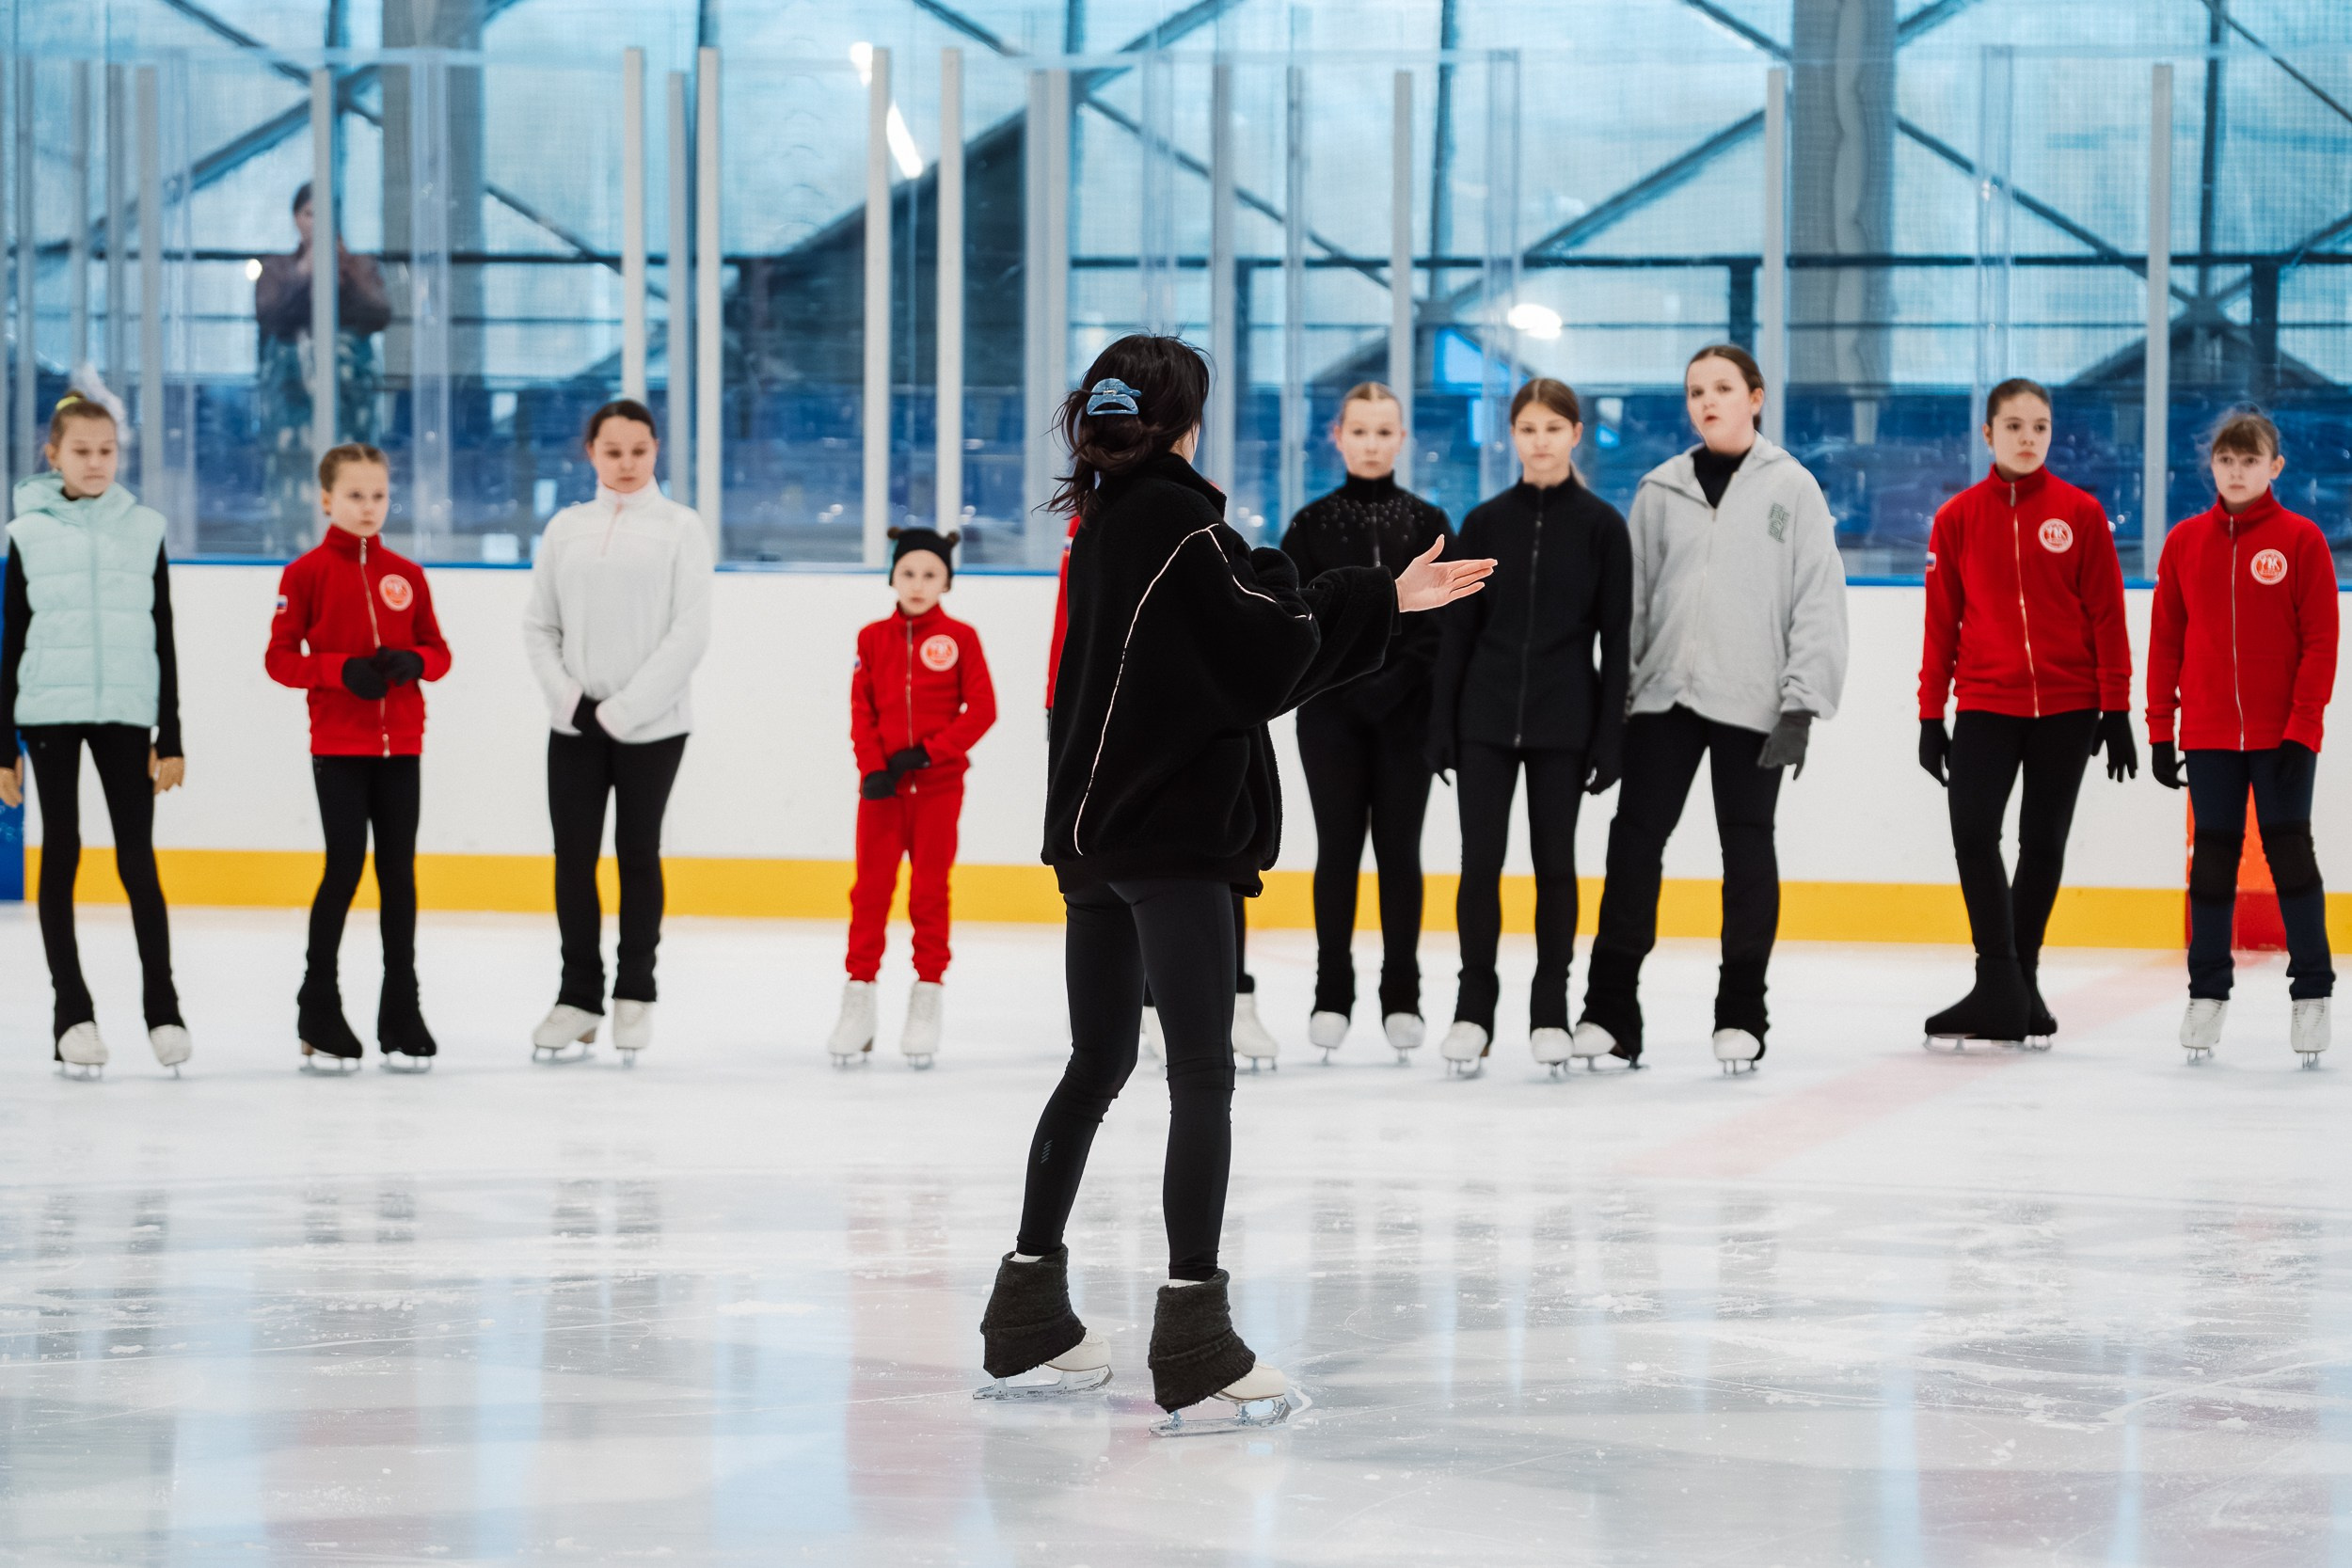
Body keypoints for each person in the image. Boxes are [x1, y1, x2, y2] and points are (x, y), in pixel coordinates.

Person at [976, 335, 1491, 1426]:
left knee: (1098, 1061)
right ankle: (1195, 1334)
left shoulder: (1109, 519)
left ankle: (1027, 1310)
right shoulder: (1181, 525)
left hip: (1093, 843)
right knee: (1200, 1074)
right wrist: (1386, 599)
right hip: (1168, 840)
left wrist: (1333, 592)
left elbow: (1230, 622)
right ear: (1182, 422)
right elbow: (1268, 652)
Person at [1575, 344, 1848, 1074]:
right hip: (1664, 696)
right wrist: (1618, 702)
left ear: (1755, 396)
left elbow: (1817, 600)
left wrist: (1801, 705)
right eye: (1696, 390)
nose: (1707, 400)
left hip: (1753, 700)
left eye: (1723, 387)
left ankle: (1742, 1014)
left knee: (1747, 851)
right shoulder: (1659, 489)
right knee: (1634, 845)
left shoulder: (1793, 488)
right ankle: (1609, 1011)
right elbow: (1630, 605)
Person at [1916, 378, 2134, 1048]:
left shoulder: (2083, 512)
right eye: (2013, 425)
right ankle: (2000, 979)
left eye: (2039, 425)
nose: (2028, 437)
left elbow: (2106, 613)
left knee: (2042, 843)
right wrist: (1931, 713)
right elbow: (1942, 621)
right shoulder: (1957, 518)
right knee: (1973, 834)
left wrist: (2117, 706)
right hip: (1986, 702)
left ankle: (2021, 983)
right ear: (1987, 435)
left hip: (2068, 708)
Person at [1426, 378, 1630, 1077]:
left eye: (1553, 427)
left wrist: (1611, 735)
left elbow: (1618, 639)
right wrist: (1442, 723)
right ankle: (1473, 1011)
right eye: (1527, 428)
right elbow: (1457, 631)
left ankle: (1550, 1009)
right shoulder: (1483, 523)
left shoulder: (1604, 527)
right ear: (1510, 437)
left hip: (1564, 719)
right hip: (1483, 718)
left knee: (1555, 867)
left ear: (1576, 435)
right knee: (1479, 864)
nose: (1539, 440)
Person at [0, 382, 190, 1076]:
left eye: (107, 450)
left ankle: (163, 1008)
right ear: (53, 455)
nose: (96, 462)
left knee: (137, 857)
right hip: (48, 710)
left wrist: (170, 732)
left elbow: (162, 631)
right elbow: (11, 638)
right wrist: (2, 746)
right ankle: (71, 1014)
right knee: (65, 852)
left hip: (124, 711)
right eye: (81, 450)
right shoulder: (26, 532)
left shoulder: (144, 528)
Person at [1049, 510, 1279, 1069]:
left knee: (1214, 854)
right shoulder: (1098, 528)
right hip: (1100, 722)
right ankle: (1151, 1001)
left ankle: (1228, 993)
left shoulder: (1199, 523)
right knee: (1143, 866)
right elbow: (1079, 631)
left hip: (1191, 719)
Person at [521, 399, 712, 1062]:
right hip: (573, 724)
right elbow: (539, 625)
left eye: (638, 449)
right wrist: (572, 701)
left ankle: (635, 991)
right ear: (591, 453)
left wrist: (624, 710)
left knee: (637, 854)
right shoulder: (565, 529)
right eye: (612, 450)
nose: (626, 462)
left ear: (655, 449)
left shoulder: (681, 528)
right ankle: (578, 995)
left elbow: (689, 632)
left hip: (653, 727)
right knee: (572, 859)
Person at [2147, 409, 2339, 1065]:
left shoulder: (2301, 540)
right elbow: (2166, 639)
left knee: (2291, 858)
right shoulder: (2184, 543)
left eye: (2249, 460)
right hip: (2208, 736)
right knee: (2213, 865)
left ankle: (2312, 994)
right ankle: (2207, 992)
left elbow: (2320, 642)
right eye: (2226, 460)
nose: (2237, 471)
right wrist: (2158, 728)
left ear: (2274, 467)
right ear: (2213, 466)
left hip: (2282, 736)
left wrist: (2302, 728)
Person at [1281, 383, 1454, 1061]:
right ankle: (1331, 991)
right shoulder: (1310, 524)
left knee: (1400, 854)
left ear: (1402, 438)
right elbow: (1301, 616)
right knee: (1338, 851)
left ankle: (1402, 992)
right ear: (1340, 436)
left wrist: (1399, 681)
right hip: (1330, 714)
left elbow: (1444, 619)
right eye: (1361, 431)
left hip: (1407, 715)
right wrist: (1347, 683)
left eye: (1385, 432)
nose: (1373, 443)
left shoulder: (1429, 519)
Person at [265, 443, 452, 1070]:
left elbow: (440, 650)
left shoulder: (408, 574)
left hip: (402, 745)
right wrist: (339, 671)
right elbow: (280, 659)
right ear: (326, 500)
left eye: (378, 495)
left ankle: (402, 1007)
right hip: (340, 746)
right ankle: (318, 1002)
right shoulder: (305, 574)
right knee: (344, 868)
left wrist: (416, 662)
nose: (369, 507)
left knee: (398, 876)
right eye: (354, 495)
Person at [825, 526, 998, 1068]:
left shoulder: (962, 638)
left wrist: (930, 753)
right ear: (892, 576)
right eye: (908, 573)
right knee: (870, 892)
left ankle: (927, 996)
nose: (918, 584)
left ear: (947, 580)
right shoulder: (871, 638)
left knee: (928, 891)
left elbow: (982, 710)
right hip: (881, 793)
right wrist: (874, 768)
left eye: (930, 574)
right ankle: (859, 998)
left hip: (938, 790)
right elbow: (862, 710)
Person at [255, 183, 391, 556]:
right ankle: (291, 549)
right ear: (296, 219)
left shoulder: (360, 264)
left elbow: (378, 315)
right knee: (293, 474)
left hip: (349, 398)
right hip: (292, 396)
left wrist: (343, 270)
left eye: (324, 214)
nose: (317, 224)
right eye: (309, 214)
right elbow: (273, 318)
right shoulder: (277, 268)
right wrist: (305, 273)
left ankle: (356, 549)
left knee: (353, 468)